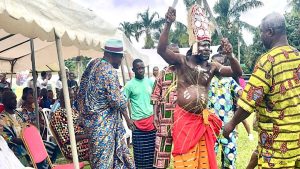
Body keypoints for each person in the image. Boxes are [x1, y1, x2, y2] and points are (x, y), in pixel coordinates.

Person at [157, 5, 242, 168]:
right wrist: (168, 23)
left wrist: (230, 55)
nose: (207, 49)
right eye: (203, 44)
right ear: (194, 46)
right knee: (186, 161)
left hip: (201, 121)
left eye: (209, 45)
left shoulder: (212, 67)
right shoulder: (182, 61)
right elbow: (161, 50)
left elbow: (237, 72)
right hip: (184, 120)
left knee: (204, 163)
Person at [223, 12, 300, 168]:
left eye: (261, 32)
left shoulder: (267, 61)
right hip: (297, 142)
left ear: (270, 32)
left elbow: (249, 100)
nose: (260, 37)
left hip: (276, 147)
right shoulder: (298, 56)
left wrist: (231, 124)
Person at [77, 39, 135, 168]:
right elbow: (116, 100)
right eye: (120, 57)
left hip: (92, 123)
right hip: (105, 125)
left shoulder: (93, 64)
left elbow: (81, 91)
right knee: (105, 161)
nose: (121, 61)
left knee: (97, 158)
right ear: (113, 55)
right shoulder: (109, 70)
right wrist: (127, 116)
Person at [0, 91, 59, 168]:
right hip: (17, 146)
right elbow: (7, 138)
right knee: (35, 153)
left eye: (15, 99)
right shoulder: (2, 119)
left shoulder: (18, 113)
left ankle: (46, 166)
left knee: (52, 147)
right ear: (5, 102)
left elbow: (26, 126)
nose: (15, 101)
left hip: (28, 141)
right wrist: (23, 141)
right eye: (12, 99)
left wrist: (32, 136)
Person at [208, 53, 243, 169]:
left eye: (218, 64)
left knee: (230, 159)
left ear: (223, 65)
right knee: (208, 159)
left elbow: (241, 92)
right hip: (210, 127)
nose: (215, 66)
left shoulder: (230, 80)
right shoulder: (207, 80)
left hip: (228, 127)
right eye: (212, 63)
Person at [123, 59, 156, 169]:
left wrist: (156, 116)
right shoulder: (129, 85)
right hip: (137, 125)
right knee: (140, 155)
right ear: (133, 70)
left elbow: (156, 100)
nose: (141, 70)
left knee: (153, 154)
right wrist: (128, 120)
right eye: (138, 68)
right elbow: (121, 103)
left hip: (152, 123)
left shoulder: (150, 82)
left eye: (142, 68)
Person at [152, 44, 179, 169]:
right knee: (162, 154)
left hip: (182, 121)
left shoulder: (185, 72)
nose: (174, 56)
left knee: (182, 154)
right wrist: (155, 116)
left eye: (177, 53)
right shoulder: (162, 73)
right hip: (164, 120)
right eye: (172, 53)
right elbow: (155, 96)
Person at [50, 88, 89, 161]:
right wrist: (88, 136)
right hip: (72, 148)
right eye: (70, 97)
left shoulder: (73, 111)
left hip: (84, 140)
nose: (72, 99)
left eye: (73, 97)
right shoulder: (58, 115)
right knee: (97, 143)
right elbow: (67, 139)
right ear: (61, 98)